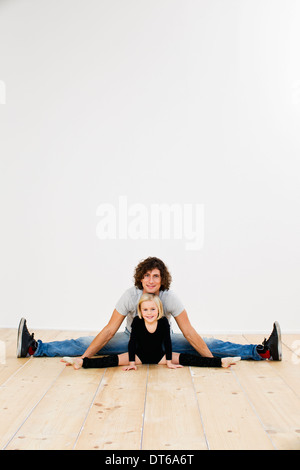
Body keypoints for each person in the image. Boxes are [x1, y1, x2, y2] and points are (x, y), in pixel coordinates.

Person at [16, 256, 282, 361]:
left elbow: (189, 332)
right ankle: (35, 348)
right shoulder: (130, 296)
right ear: (140, 278)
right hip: (133, 341)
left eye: (156, 276)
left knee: (210, 342)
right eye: (147, 276)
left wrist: (210, 361)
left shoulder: (170, 297)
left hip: (164, 343)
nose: (151, 280)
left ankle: (263, 352)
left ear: (161, 279)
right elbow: (109, 330)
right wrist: (84, 360)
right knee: (83, 341)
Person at [61, 293, 240, 371]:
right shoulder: (138, 323)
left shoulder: (163, 323)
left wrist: (169, 361)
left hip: (160, 356)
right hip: (139, 356)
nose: (149, 313)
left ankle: (220, 362)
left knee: (189, 359)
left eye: (152, 310)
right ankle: (81, 363)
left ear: (159, 310)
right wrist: (131, 362)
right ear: (140, 311)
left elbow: (168, 343)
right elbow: (132, 343)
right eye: (145, 310)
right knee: (110, 360)